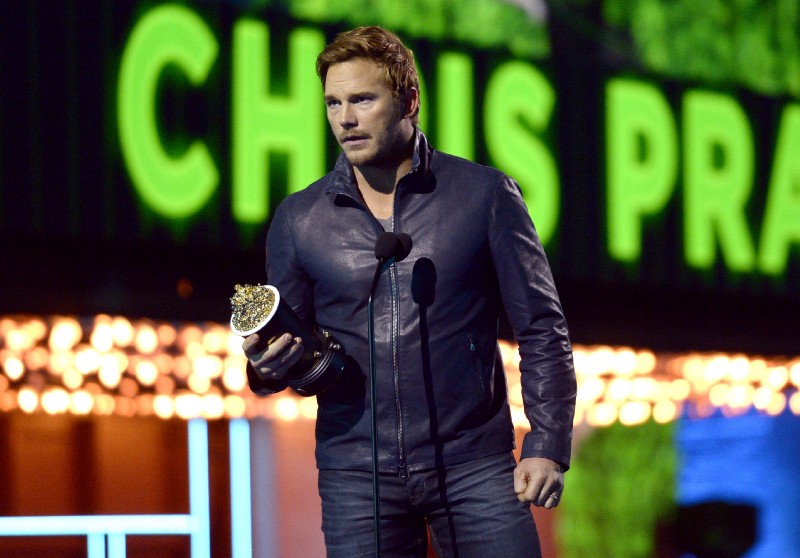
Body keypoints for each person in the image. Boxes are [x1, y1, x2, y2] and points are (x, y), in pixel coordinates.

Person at [242, 25, 576, 558]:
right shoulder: (299, 219)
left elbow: (541, 327)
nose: (344, 118)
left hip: (474, 465)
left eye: (362, 99)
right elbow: (293, 346)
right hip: (357, 474)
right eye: (332, 102)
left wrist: (548, 445)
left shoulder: (484, 195)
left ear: (410, 100)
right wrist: (268, 364)